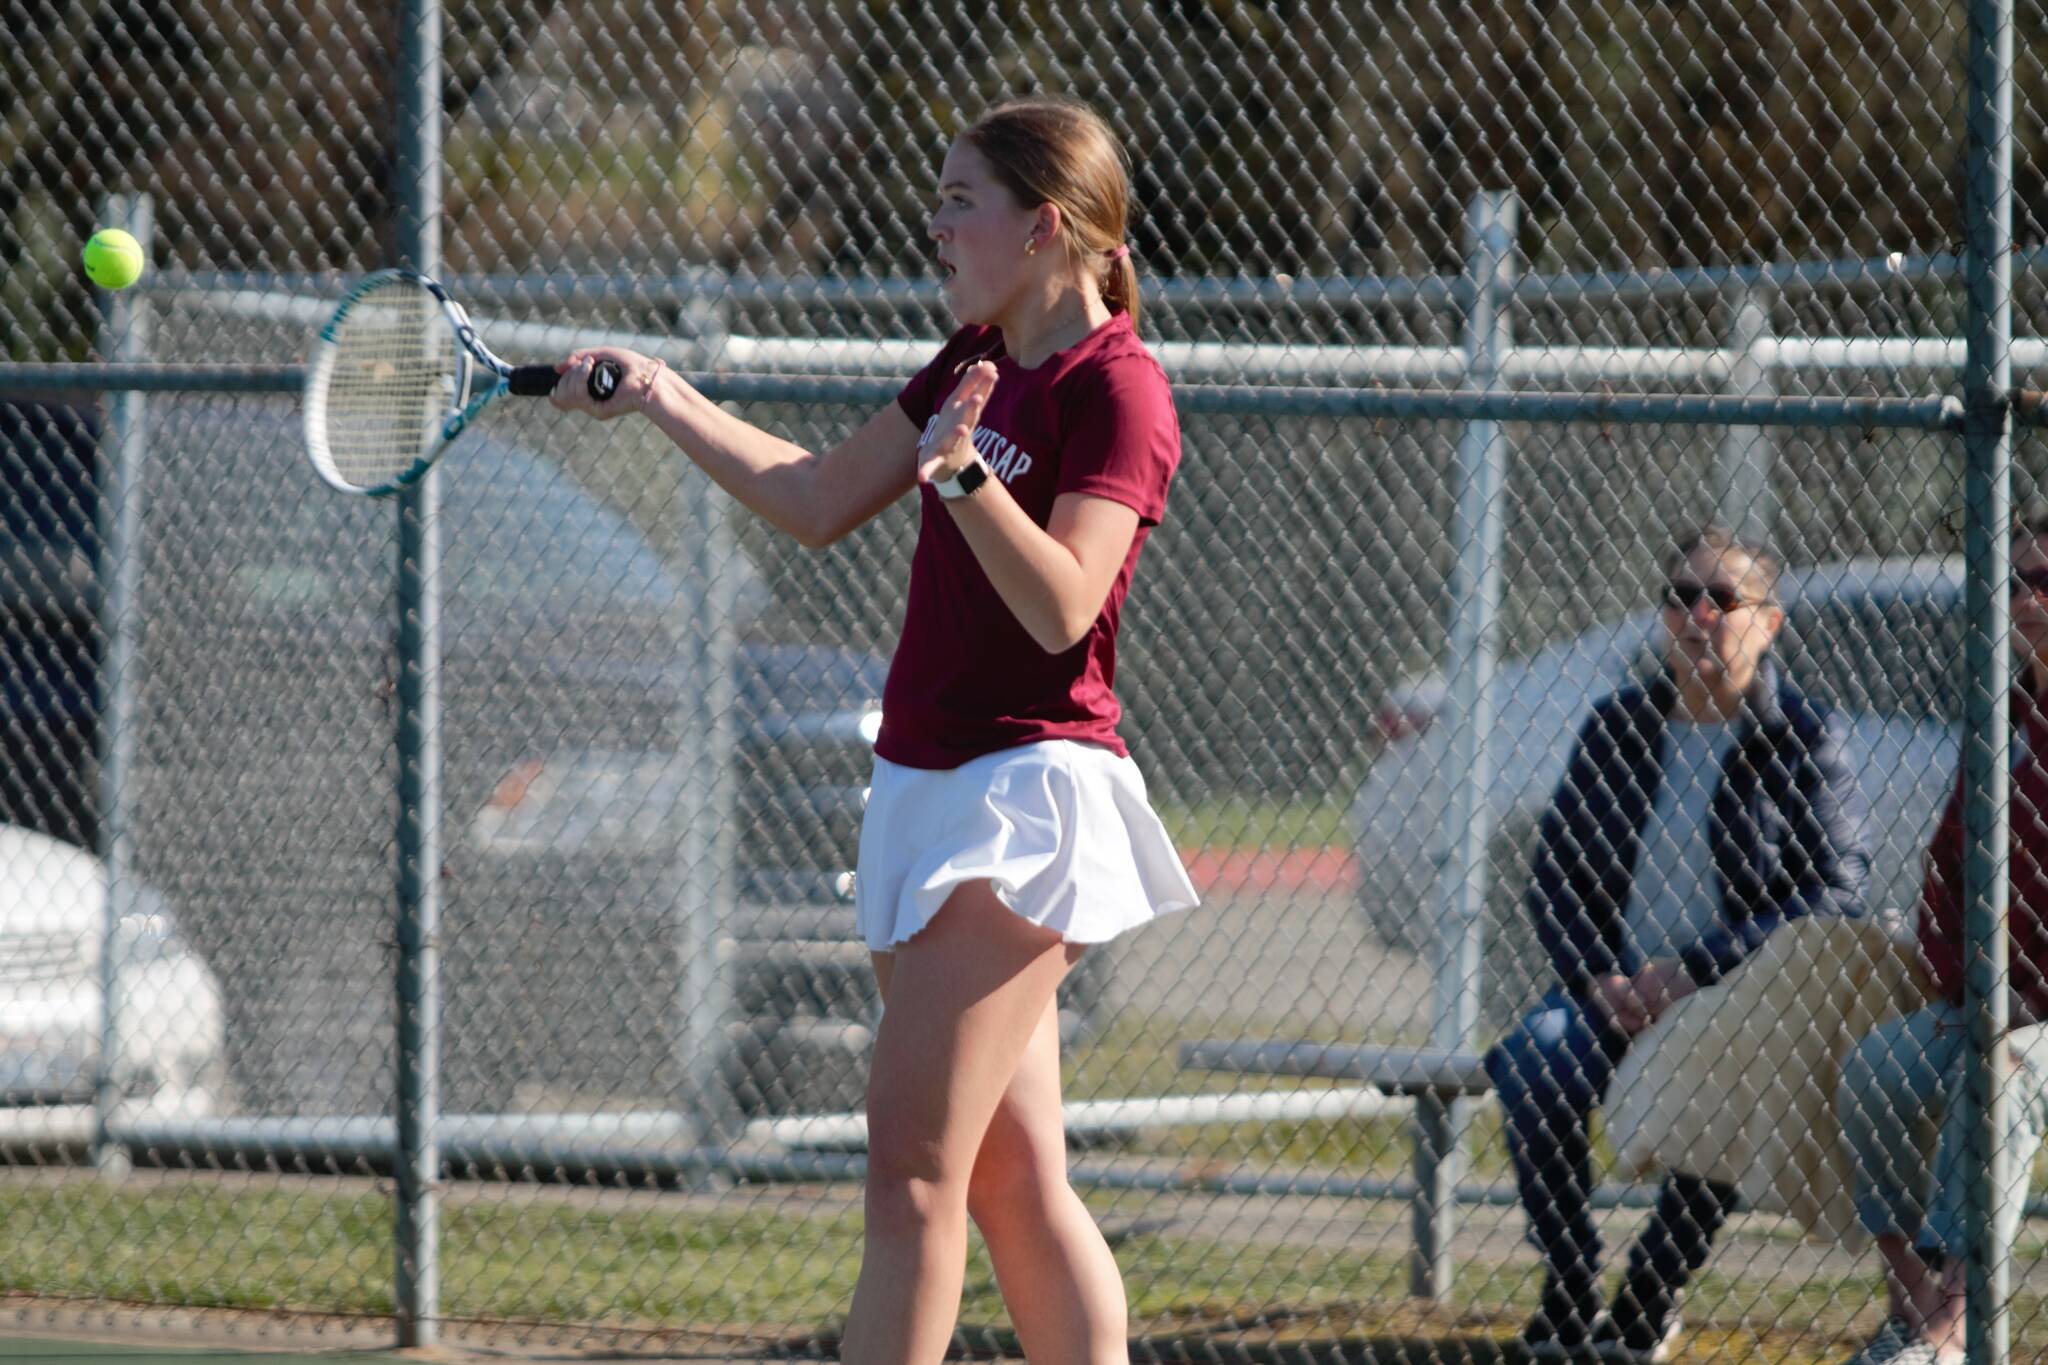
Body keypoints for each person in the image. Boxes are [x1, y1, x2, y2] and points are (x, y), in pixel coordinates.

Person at [545, 97, 1196, 1365]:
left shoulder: (1118, 389)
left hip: (1023, 797)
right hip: (924, 784)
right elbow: (814, 497)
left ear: (1044, 226)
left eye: (962, 199)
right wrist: (663, 396)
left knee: (907, 1181)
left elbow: (1064, 606)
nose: (935, 221)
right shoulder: (969, 364)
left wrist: (965, 482)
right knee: (1011, 1184)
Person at [1484, 526, 1870, 1362]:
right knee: (1533, 1064)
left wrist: (1694, 971)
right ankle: (1570, 1283)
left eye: (1722, 599)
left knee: (1726, 1085)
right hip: (1611, 994)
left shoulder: (1802, 737)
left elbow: (1838, 890)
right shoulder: (1617, 726)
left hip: (1732, 1004)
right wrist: (1598, 979)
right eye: (1680, 598)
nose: (1698, 615)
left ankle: (1651, 1293)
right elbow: (1554, 877)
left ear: (1768, 623)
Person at [1833, 515, 2048, 1365]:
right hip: (1994, 995)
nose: (2029, 598)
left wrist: (2020, 1008)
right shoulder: (2004, 716)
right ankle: (1912, 1304)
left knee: (1994, 1075)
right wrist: (1968, 986)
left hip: (2038, 1014)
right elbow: (1948, 869)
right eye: (2017, 581)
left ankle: (1955, 1320)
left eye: (2047, 581)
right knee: (1874, 1072)